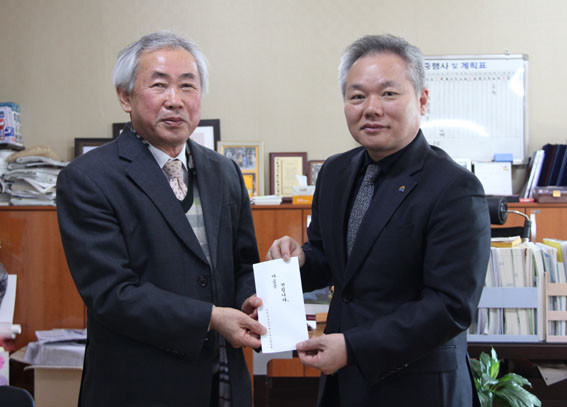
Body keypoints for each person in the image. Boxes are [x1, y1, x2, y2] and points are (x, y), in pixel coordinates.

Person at [267, 34, 490, 406]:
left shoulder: (454, 188)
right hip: (343, 383)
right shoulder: (335, 172)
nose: (371, 108)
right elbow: (329, 259)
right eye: (357, 96)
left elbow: (450, 306)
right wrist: (300, 259)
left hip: (417, 387)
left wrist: (354, 347)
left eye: (388, 94)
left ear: (422, 100)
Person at [56, 31, 265, 407]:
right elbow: (112, 294)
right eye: (159, 85)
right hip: (137, 385)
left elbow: (242, 264)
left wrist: (250, 299)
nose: (175, 100)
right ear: (125, 96)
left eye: (187, 86)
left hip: (222, 379)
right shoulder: (88, 178)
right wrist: (211, 317)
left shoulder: (225, 172)